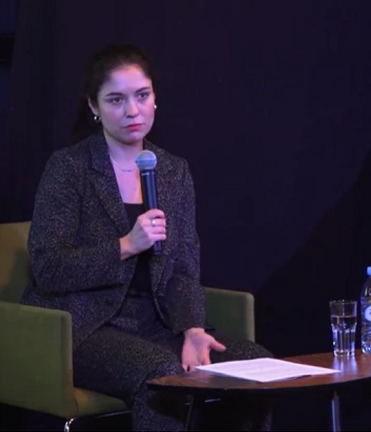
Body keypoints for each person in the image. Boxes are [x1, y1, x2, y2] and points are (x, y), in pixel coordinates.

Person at [20, 43, 273, 431]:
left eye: (142, 95)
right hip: (83, 327)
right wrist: (125, 246)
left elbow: (184, 267)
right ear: (94, 106)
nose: (132, 111)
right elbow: (49, 267)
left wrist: (192, 329)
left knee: (255, 365)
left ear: (155, 98)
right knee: (160, 372)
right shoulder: (70, 168)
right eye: (116, 100)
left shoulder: (172, 171)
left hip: (156, 324)